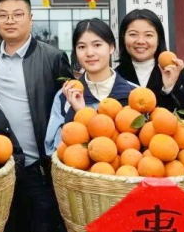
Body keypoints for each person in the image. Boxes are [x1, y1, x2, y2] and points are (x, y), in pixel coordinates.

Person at [0, 0, 72, 232]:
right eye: (3, 15)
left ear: (30, 18)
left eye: (17, 14)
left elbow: (67, 111)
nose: (10, 21)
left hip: (41, 172)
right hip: (4, 169)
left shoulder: (53, 58)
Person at [45, 19, 137, 154]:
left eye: (97, 45)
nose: (89, 53)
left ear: (111, 47)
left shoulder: (134, 93)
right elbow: (53, 150)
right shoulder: (65, 95)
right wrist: (77, 112)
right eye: (82, 47)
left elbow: (144, 143)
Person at [115, 9, 184, 125]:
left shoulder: (176, 72)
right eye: (133, 34)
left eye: (148, 35)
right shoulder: (116, 76)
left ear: (158, 40)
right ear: (123, 38)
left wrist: (172, 87)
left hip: (167, 136)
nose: (140, 41)